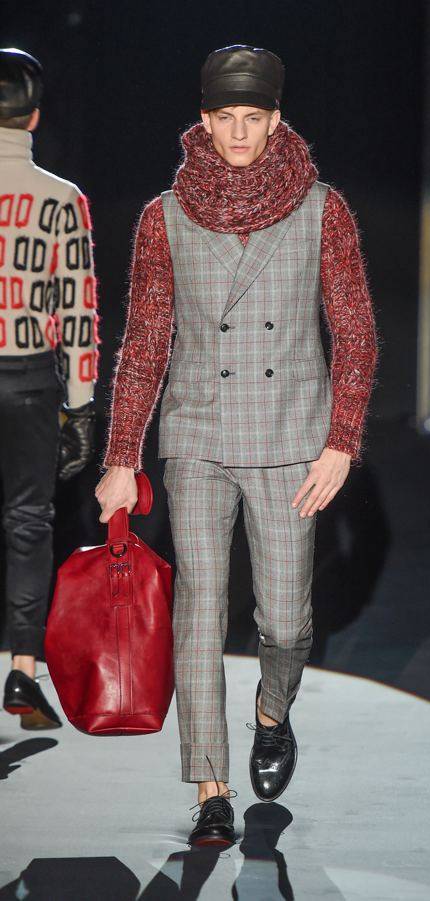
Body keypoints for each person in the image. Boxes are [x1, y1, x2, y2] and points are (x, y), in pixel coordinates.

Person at [97, 44, 378, 847]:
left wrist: (341, 441)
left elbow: (355, 332)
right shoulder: (164, 217)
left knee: (285, 621)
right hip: (198, 434)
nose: (241, 133)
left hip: (291, 439)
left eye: (255, 118)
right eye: (227, 118)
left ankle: (271, 710)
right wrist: (122, 456)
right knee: (199, 607)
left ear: (277, 120)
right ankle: (210, 785)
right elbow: (144, 342)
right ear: (205, 120)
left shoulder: (323, 209)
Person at [0, 48, 99, 728]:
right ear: (34, 116)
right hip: (31, 379)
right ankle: (21, 670)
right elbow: (78, 312)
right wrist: (82, 408)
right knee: (29, 525)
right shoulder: (62, 199)